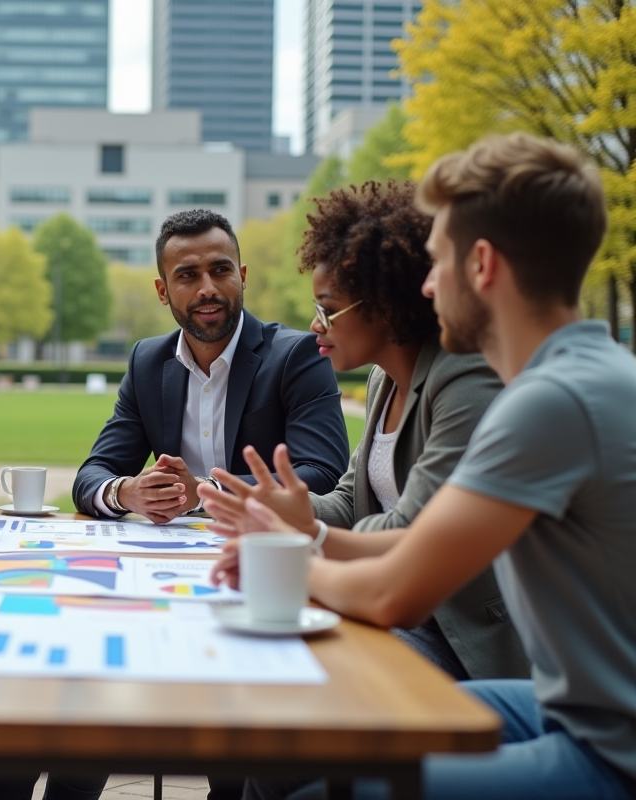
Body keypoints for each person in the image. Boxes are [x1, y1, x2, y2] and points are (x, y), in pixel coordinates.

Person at [204, 133, 636, 800]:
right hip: (563, 705)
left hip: (608, 751)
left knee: (321, 784)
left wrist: (286, 558)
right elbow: (419, 539)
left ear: (483, 265)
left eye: (436, 263)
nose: (427, 287)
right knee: (297, 736)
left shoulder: (550, 401)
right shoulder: (574, 377)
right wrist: (303, 536)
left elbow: (394, 594)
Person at [211, 180, 527, 683]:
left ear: (383, 303)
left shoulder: (465, 379)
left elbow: (409, 530)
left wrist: (304, 536)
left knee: (293, 668)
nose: (316, 325)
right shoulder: (384, 380)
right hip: (392, 603)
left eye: (327, 307)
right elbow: (353, 500)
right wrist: (281, 506)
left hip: (458, 633)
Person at [72, 209, 348, 523]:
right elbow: (91, 476)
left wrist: (205, 492)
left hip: (268, 551)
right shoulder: (146, 363)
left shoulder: (297, 356)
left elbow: (324, 474)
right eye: (188, 275)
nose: (208, 289)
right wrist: (126, 492)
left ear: (242, 277)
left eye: (220, 270)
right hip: (175, 558)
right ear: (163, 291)